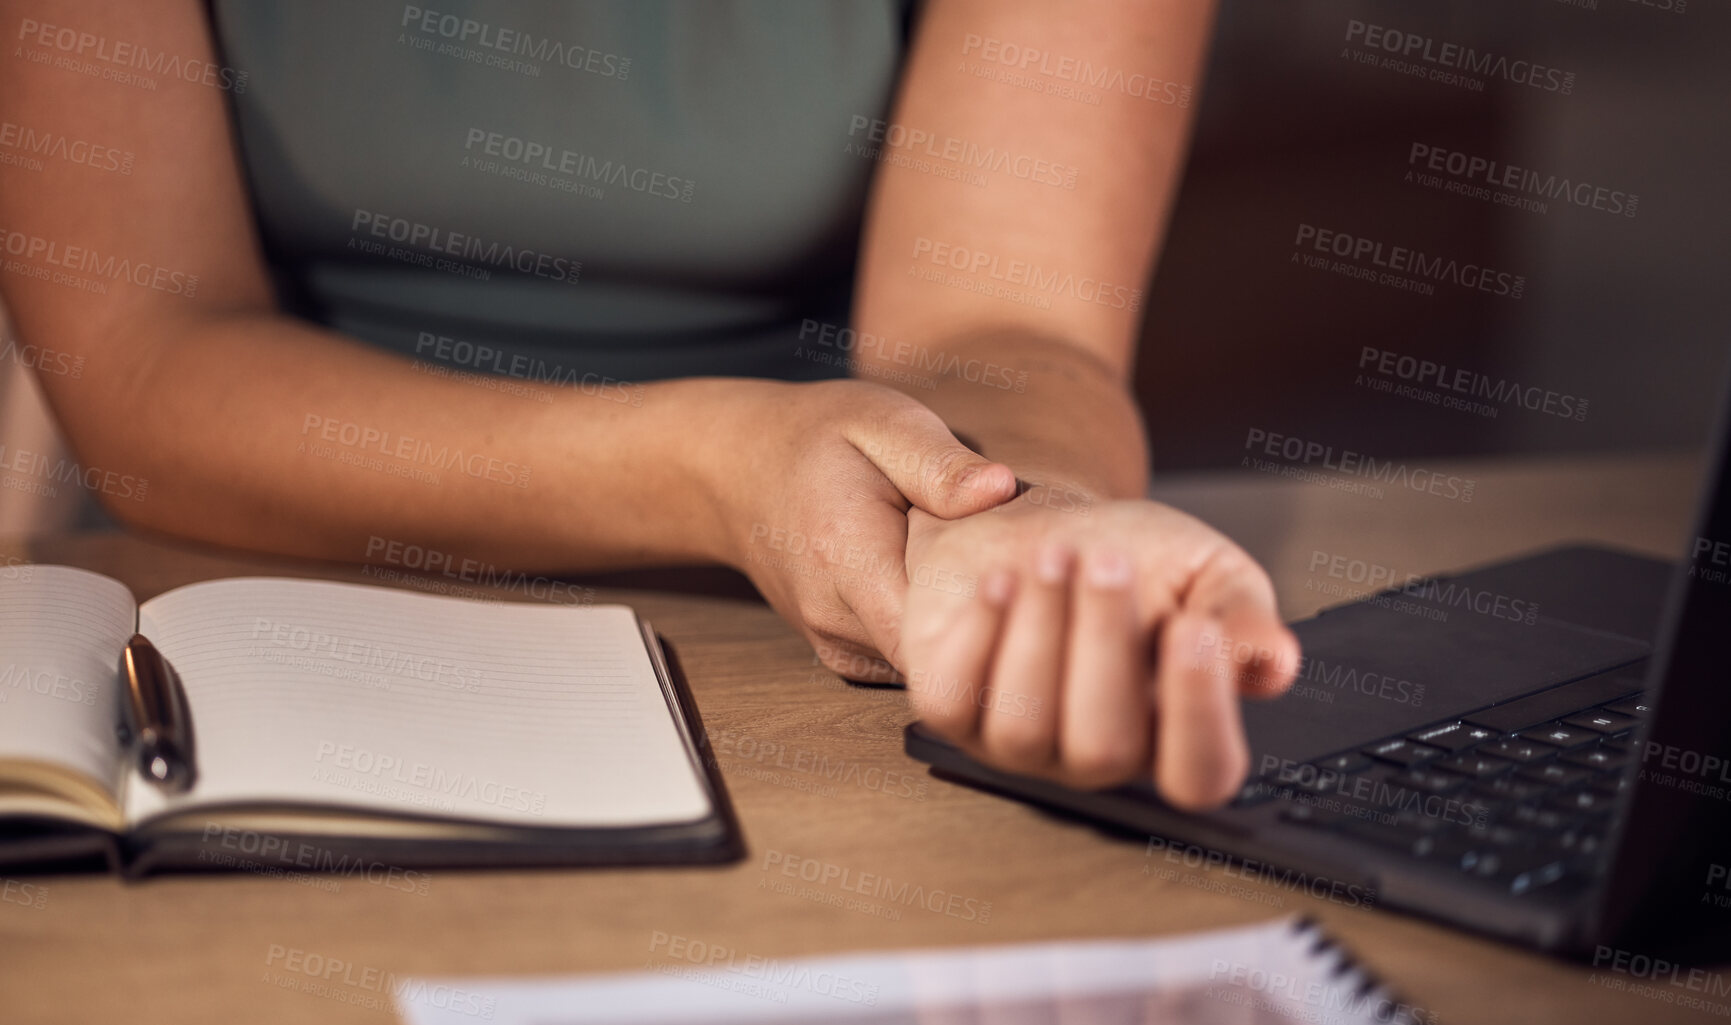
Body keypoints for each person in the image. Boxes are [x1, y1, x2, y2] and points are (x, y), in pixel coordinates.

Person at [0, 0, 1298, 810]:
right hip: (244, 598)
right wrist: (718, 467)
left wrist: (1001, 513)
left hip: (799, 641)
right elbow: (144, 353)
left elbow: (1003, 331)